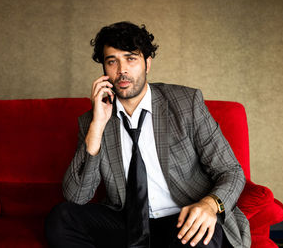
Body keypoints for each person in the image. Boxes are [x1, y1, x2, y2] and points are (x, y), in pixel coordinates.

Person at [44, 21, 251, 248]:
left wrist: (210, 205)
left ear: (147, 63)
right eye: (112, 61)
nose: (122, 69)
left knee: (197, 238)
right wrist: (97, 125)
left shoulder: (185, 103)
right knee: (61, 218)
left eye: (131, 58)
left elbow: (231, 171)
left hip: (182, 218)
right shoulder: (94, 120)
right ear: (104, 70)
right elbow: (76, 197)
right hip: (127, 222)